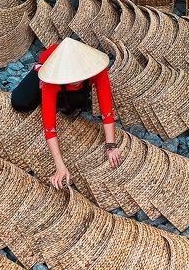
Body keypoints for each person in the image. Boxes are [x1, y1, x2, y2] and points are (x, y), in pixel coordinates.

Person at [11, 38, 123, 188]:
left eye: (78, 78)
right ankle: (39, 87)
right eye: (73, 79)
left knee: (71, 107)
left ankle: (67, 97)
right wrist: (60, 165)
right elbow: (49, 126)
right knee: (20, 102)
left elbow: (106, 107)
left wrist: (111, 146)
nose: (75, 81)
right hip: (46, 68)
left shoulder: (95, 70)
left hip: (69, 87)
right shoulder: (52, 78)